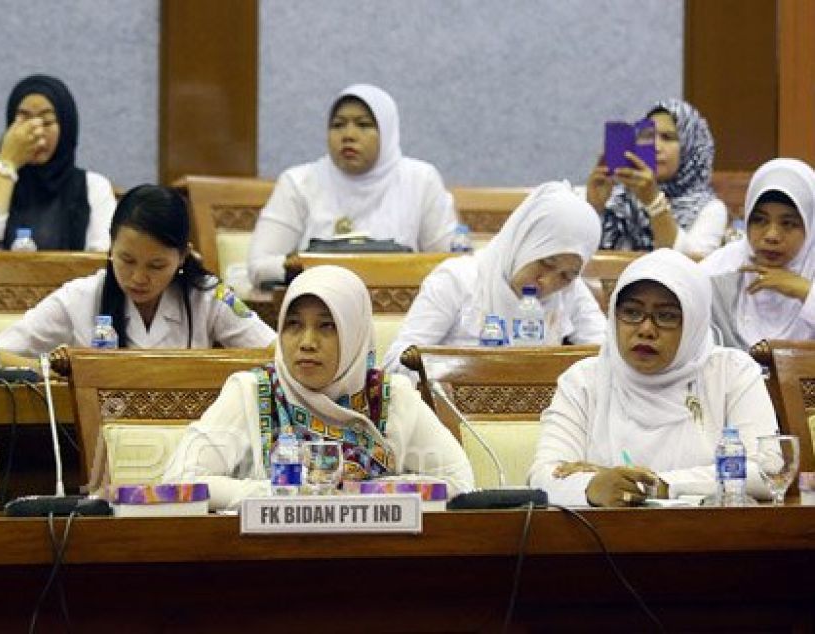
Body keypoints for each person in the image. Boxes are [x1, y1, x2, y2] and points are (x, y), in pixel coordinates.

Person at [162, 265, 475, 511]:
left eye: (327, 326)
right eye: (294, 325)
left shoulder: (391, 397)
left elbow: (459, 483)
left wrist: (363, 494)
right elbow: (179, 481)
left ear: (354, 333)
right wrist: (282, 494)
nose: (307, 343)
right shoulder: (251, 391)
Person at [528, 249, 776, 507]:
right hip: (606, 540)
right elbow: (543, 478)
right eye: (632, 313)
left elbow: (767, 471)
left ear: (694, 322)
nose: (646, 329)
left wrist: (656, 485)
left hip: (713, 538)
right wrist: (593, 487)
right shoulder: (583, 381)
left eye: (666, 316)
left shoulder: (732, 373)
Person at [0, 185, 276, 370]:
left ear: (183, 257)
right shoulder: (81, 297)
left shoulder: (209, 295)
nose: (138, 277)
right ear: (110, 246)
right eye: (126, 260)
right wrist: (59, 371)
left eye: (156, 265)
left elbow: (274, 353)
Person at [382, 181, 606, 374]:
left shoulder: (571, 291)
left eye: (566, 275)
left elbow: (608, 356)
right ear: (523, 242)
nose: (548, 282)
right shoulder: (456, 280)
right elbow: (396, 363)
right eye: (546, 263)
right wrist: (460, 371)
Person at [246, 83, 458, 287]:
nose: (348, 135)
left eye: (363, 125)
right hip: (319, 311)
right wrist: (310, 268)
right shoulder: (299, 183)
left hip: (401, 312)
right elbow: (259, 266)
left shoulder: (420, 180)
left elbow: (454, 264)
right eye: (338, 125)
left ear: (387, 131)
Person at [0, 74, 117, 251]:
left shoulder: (93, 187)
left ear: (66, 127)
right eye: (23, 120)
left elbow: (103, 261)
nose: (36, 132)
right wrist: (6, 164)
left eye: (47, 122)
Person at [586, 99, 726, 258]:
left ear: (691, 147)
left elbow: (690, 267)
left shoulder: (710, 209)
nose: (656, 147)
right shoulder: (617, 198)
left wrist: (654, 202)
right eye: (649, 136)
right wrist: (594, 208)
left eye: (667, 137)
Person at [699, 158, 815, 350]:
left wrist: (804, 291)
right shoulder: (718, 271)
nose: (771, 236)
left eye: (788, 223)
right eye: (760, 220)